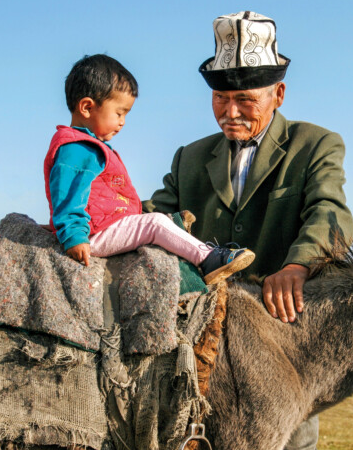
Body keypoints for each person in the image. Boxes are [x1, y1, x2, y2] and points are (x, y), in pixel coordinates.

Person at [143, 12, 353, 450]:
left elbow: (330, 212)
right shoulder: (190, 157)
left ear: (278, 94)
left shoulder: (316, 145)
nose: (230, 111)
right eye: (220, 98)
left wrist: (297, 265)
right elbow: (156, 217)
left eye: (244, 99)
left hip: (279, 345)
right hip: (196, 345)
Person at [44, 54, 254, 285]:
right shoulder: (77, 150)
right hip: (93, 234)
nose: (123, 121)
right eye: (119, 113)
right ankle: (208, 258)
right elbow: (68, 195)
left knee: (158, 222)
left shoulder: (86, 147)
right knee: (154, 224)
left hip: (99, 227)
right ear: (86, 107)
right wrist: (74, 236)